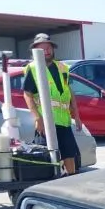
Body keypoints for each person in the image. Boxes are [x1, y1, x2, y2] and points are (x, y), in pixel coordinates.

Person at [22, 33, 83, 175]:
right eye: (42, 48)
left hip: (64, 121)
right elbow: (27, 94)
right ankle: (49, 184)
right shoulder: (32, 68)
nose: (47, 51)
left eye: (48, 47)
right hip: (46, 122)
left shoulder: (63, 68)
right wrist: (38, 118)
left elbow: (69, 92)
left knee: (69, 153)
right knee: (47, 156)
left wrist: (77, 115)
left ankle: (71, 180)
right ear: (35, 51)